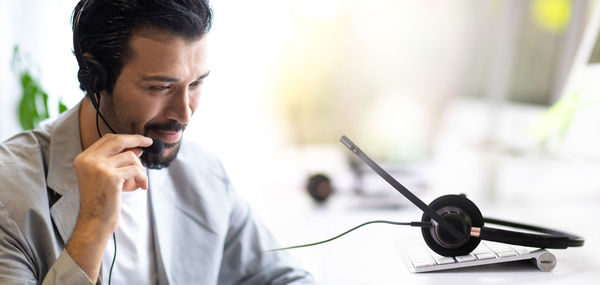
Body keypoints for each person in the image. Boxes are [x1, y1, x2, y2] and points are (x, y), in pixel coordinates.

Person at [0, 0, 315, 284]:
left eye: (196, 84)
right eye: (161, 87)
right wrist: (91, 229)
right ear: (95, 76)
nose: (185, 113)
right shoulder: (8, 192)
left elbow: (284, 276)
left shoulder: (203, 173)